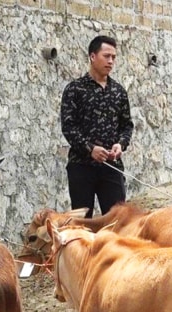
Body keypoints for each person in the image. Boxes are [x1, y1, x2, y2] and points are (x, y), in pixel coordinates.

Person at [60, 35, 134, 218]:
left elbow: (127, 126)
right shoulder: (75, 89)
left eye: (114, 57)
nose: (111, 61)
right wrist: (90, 149)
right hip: (81, 166)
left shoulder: (118, 91)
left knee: (117, 220)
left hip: (111, 166)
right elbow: (69, 127)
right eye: (106, 56)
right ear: (93, 56)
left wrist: (120, 144)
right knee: (82, 221)